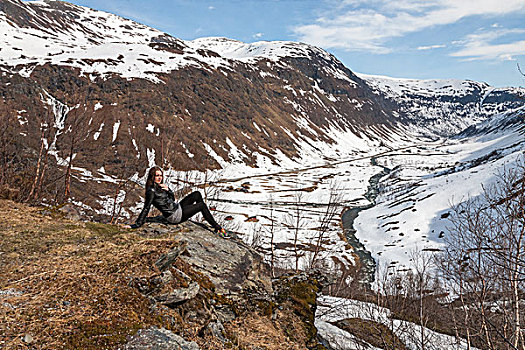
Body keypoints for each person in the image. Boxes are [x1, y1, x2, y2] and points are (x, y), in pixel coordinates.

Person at [129, 166, 230, 238]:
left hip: (177, 208)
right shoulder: (151, 191)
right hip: (174, 216)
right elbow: (146, 207)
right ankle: (217, 227)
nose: (159, 178)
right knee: (201, 206)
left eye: (160, 175)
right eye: (157, 176)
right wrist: (137, 224)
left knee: (197, 194)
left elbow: (172, 199)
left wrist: (168, 190)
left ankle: (207, 217)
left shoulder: (160, 187)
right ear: (152, 177)